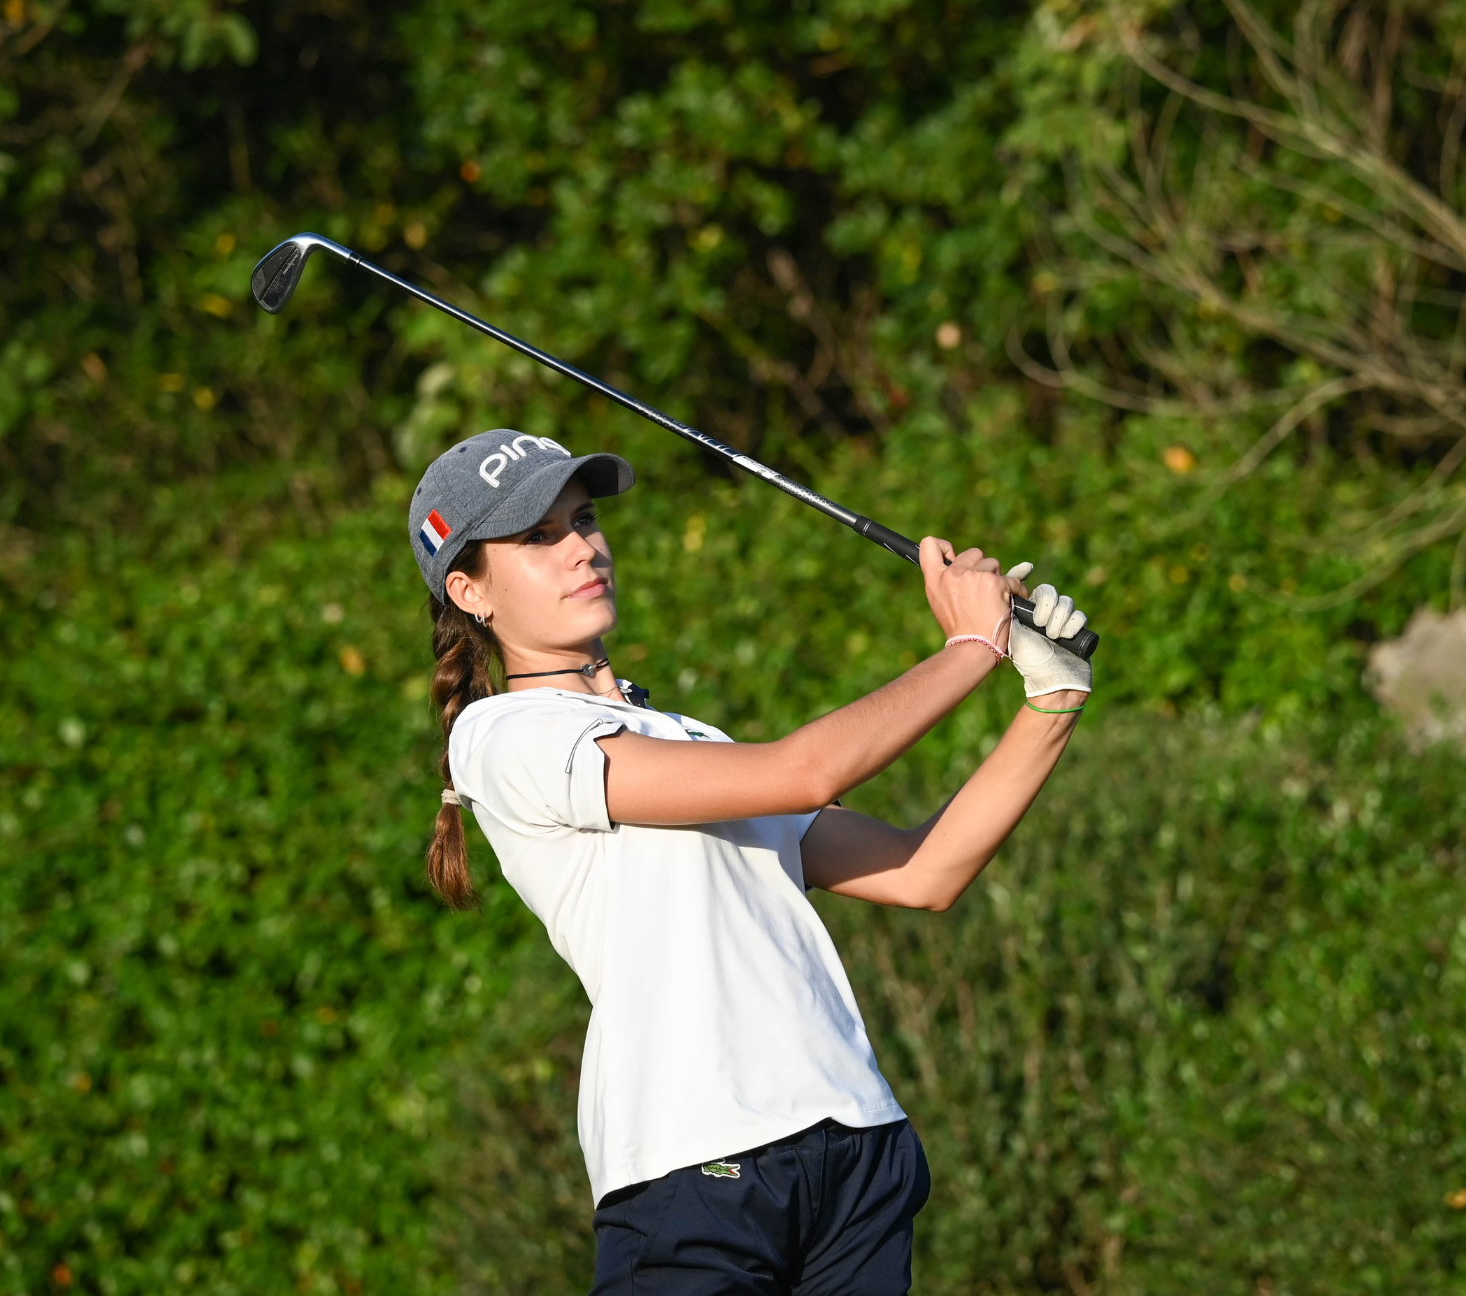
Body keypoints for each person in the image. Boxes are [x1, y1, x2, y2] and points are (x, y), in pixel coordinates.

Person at [407, 428, 1094, 1296]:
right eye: (538, 537)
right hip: (696, 1167)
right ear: (470, 591)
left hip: (855, 1148)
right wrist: (971, 647)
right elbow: (805, 769)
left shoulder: (695, 740)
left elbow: (925, 872)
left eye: (581, 519)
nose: (582, 546)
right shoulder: (502, 736)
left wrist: (1052, 698)